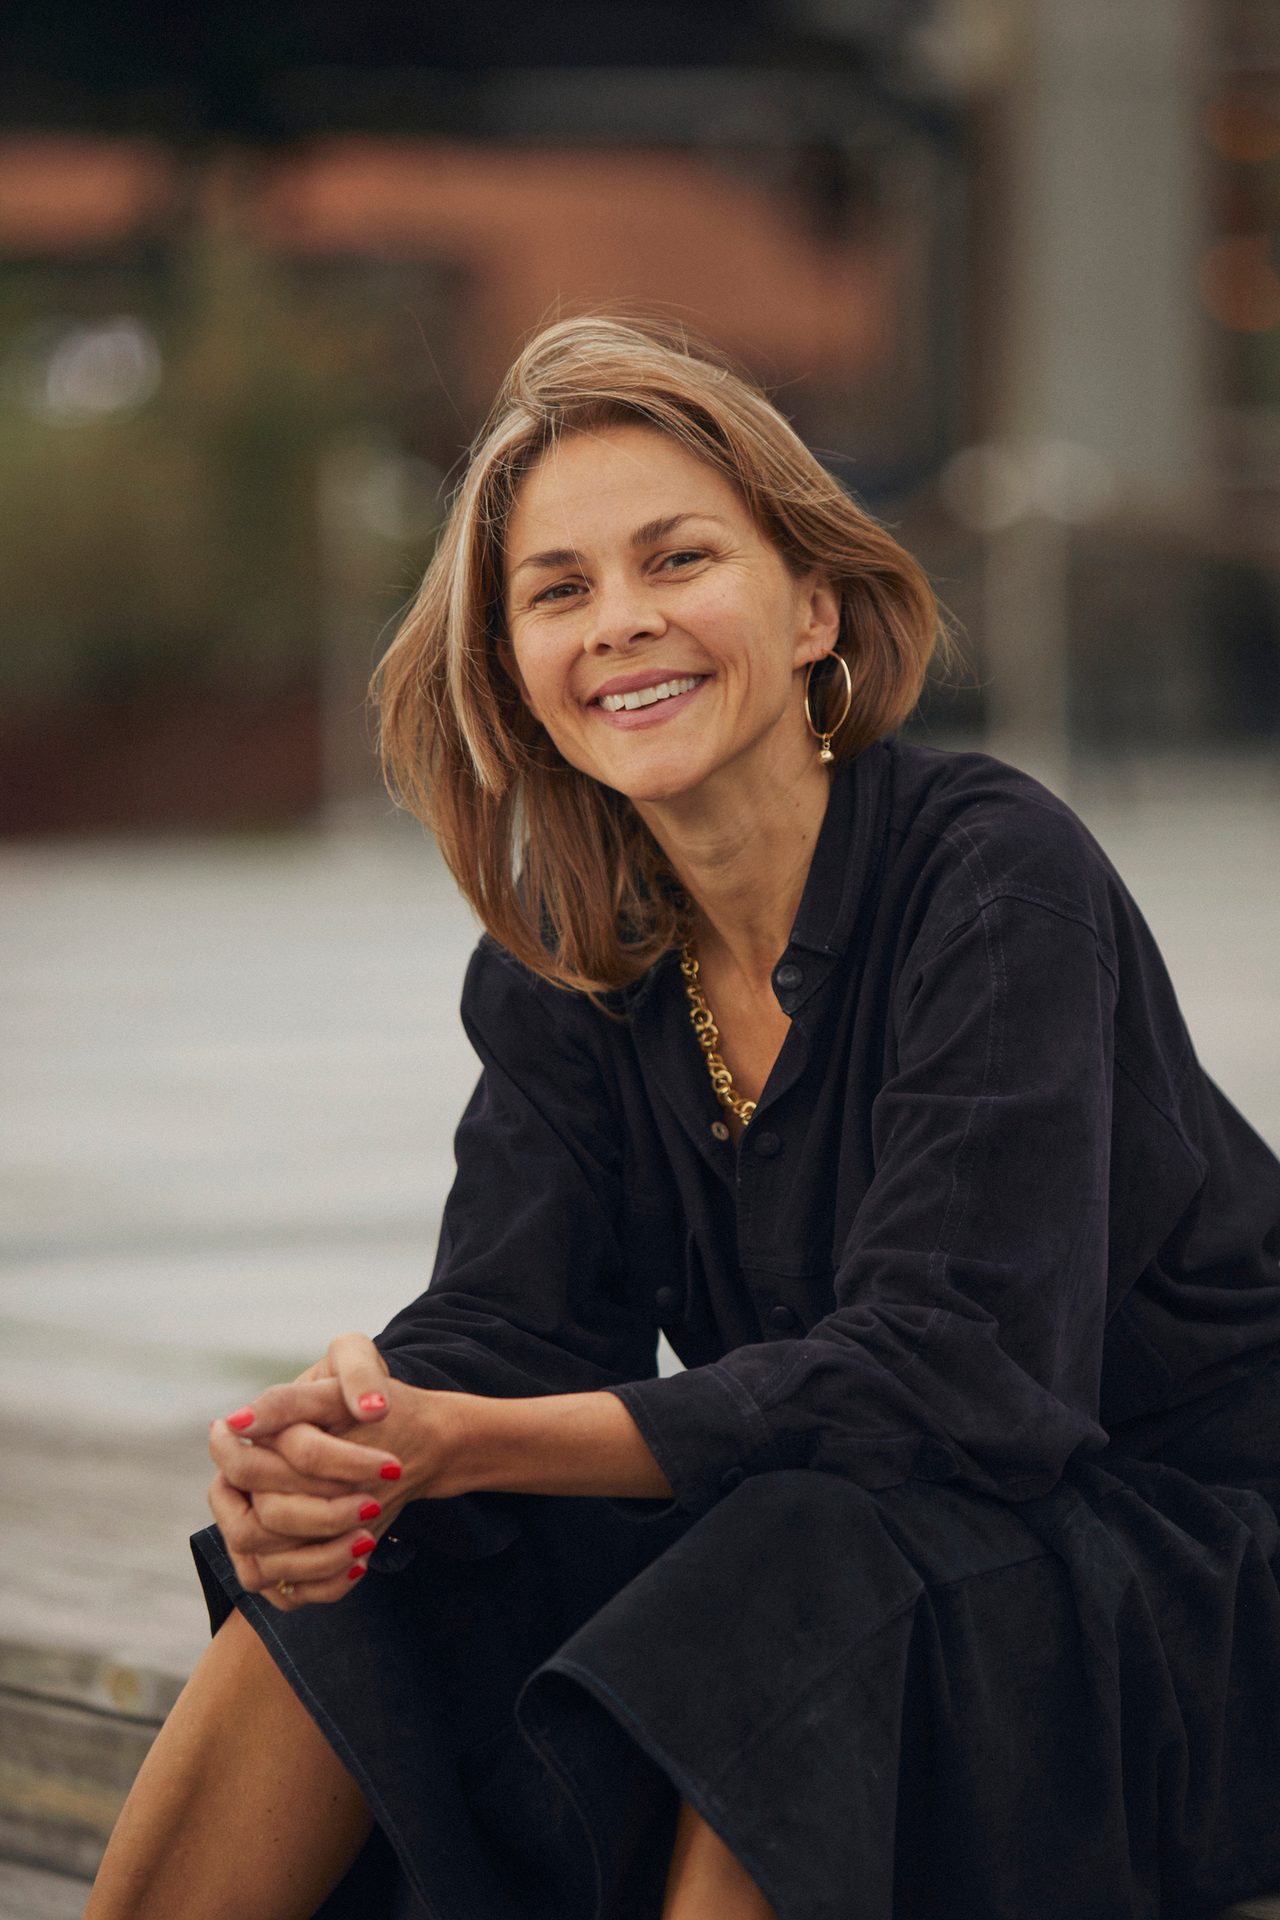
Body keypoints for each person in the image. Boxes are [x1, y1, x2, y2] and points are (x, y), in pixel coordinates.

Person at [87, 312, 1280, 1920]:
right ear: (512, 668)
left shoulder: (993, 874)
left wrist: (473, 1442)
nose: (624, 624)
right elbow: (507, 1329)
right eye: (560, 590)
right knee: (389, 1558)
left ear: (814, 608)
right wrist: (345, 1446)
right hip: (901, 1534)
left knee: (795, 1569)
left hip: (1183, 1573)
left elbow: (956, 1377)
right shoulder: (575, 956)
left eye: (678, 560)